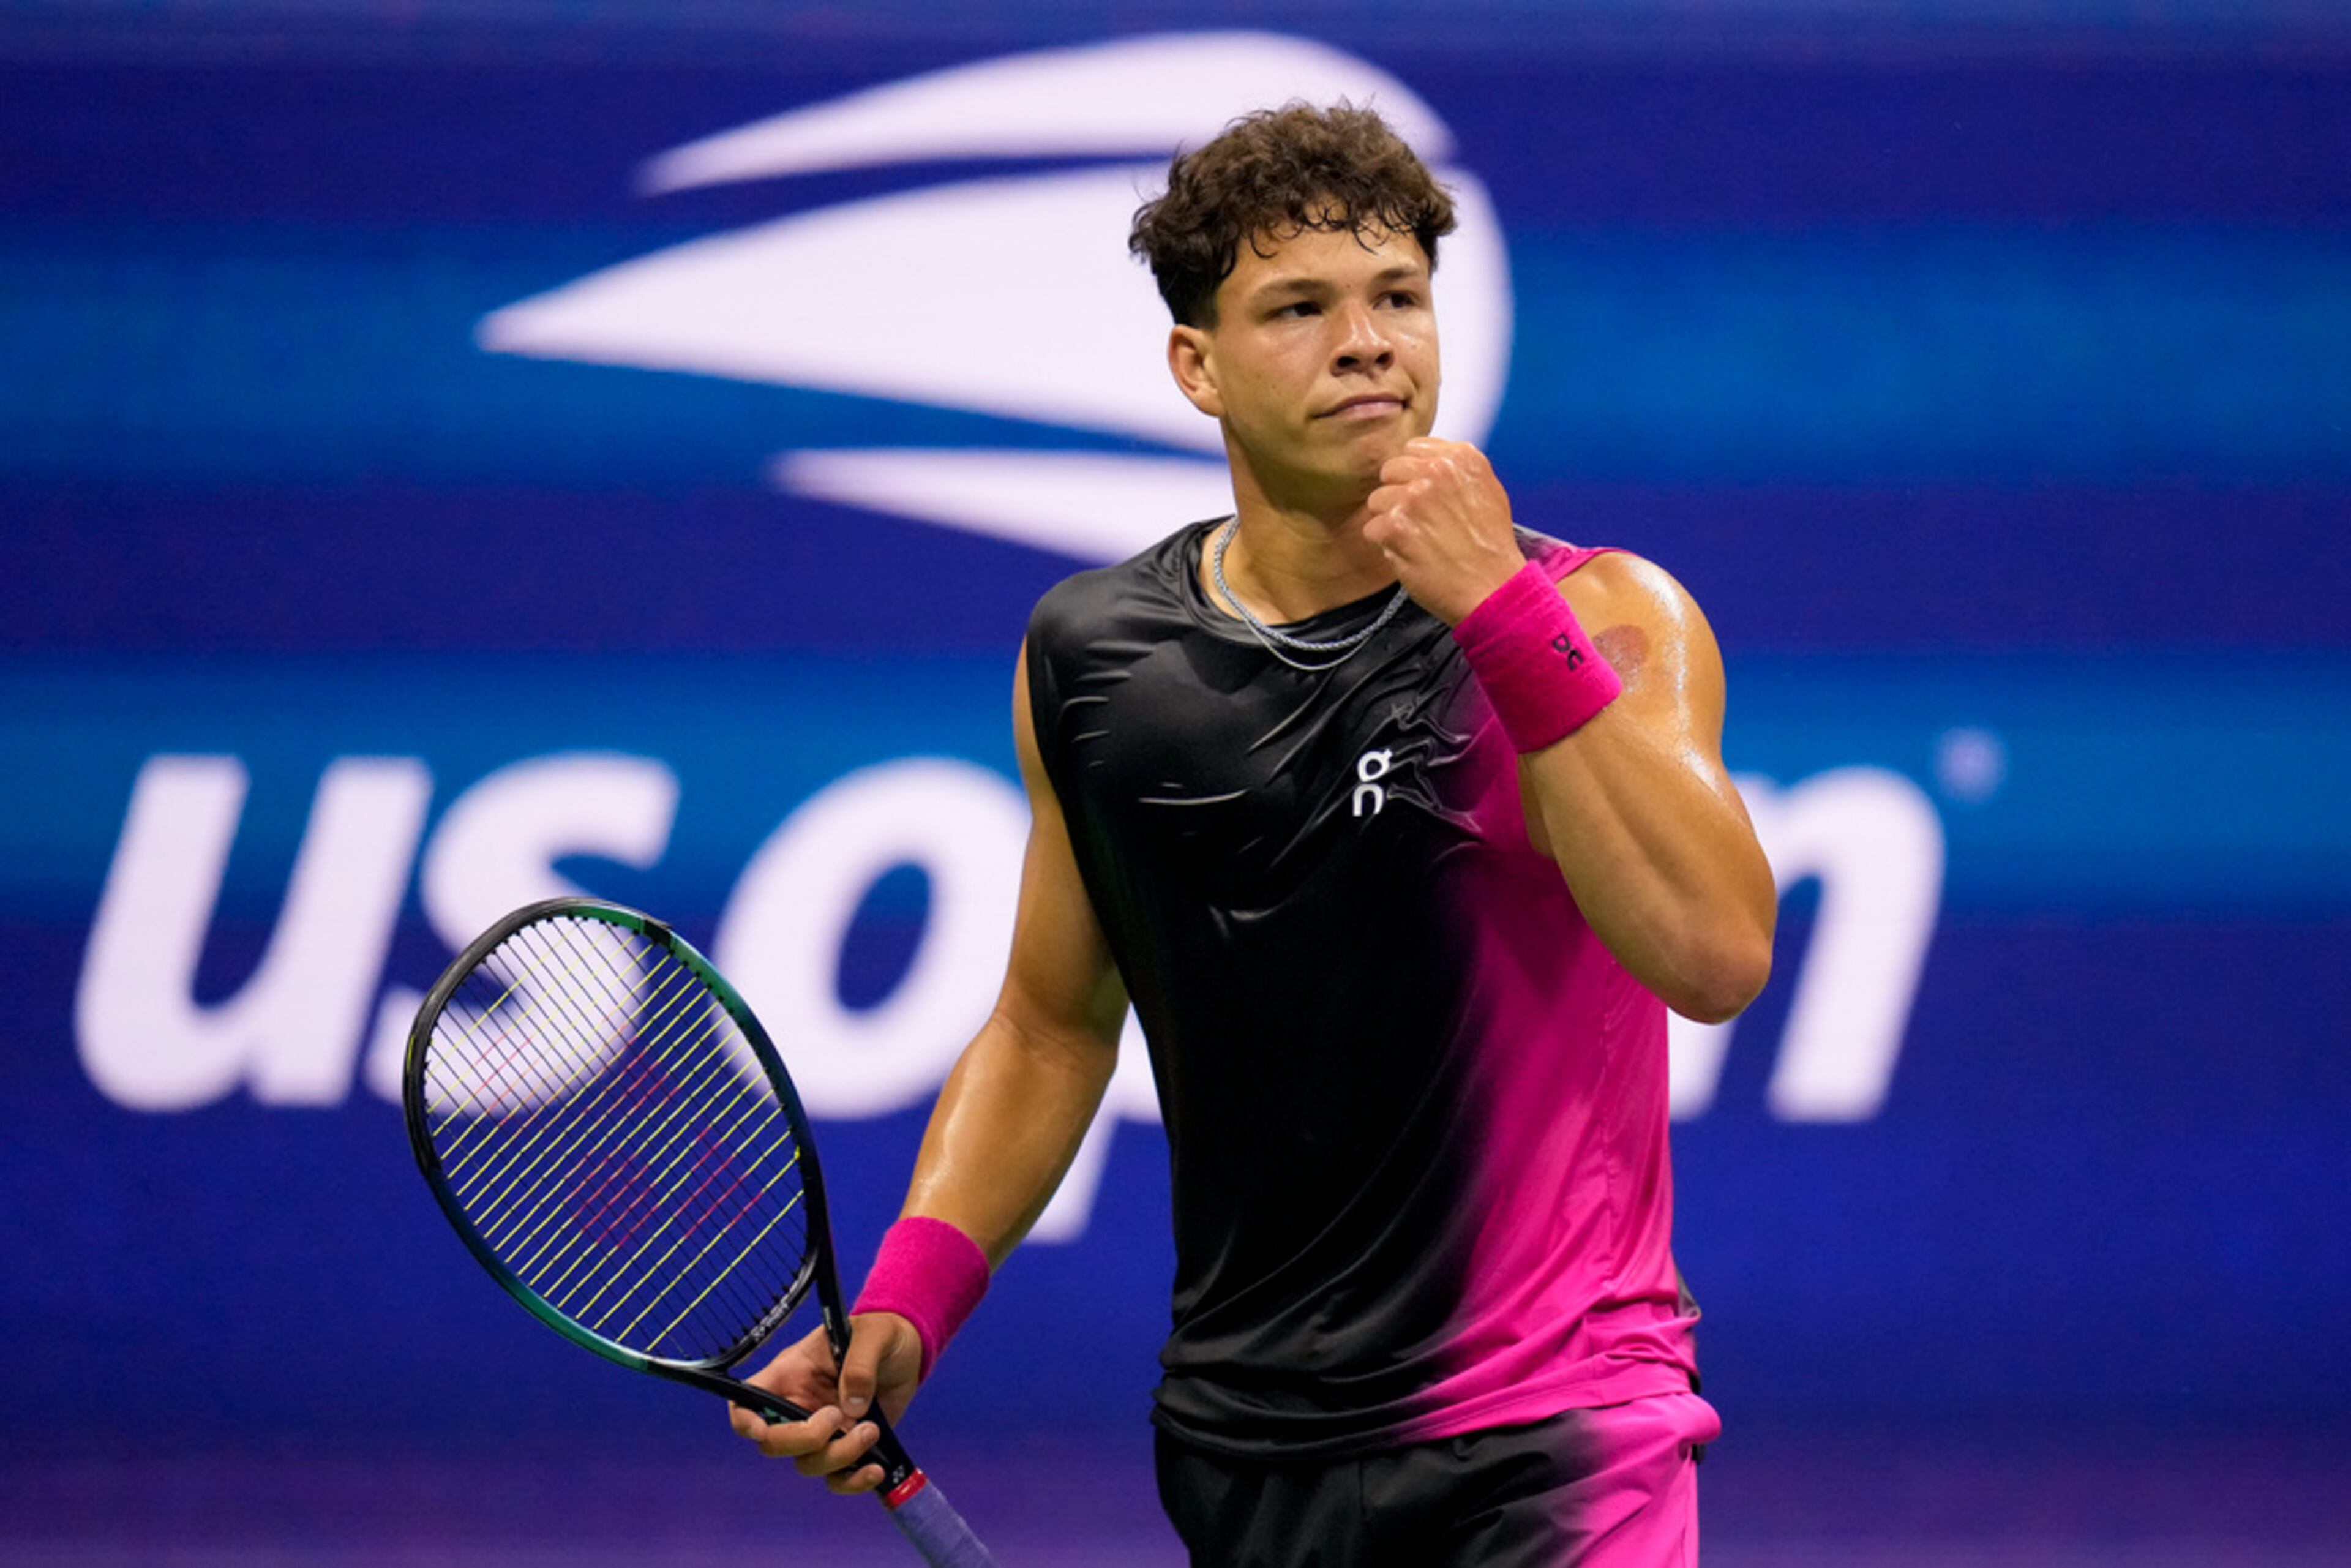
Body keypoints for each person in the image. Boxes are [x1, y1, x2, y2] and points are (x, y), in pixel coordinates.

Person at [730, 102, 1777, 1565]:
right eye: (1299, 309)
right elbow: (1049, 1028)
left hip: (1558, 1432)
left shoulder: (1599, 615)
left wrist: (1495, 611)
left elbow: (1716, 955)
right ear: (1198, 367)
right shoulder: (1097, 657)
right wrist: (907, 1306)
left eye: (1399, 298)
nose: (1367, 345)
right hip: (1247, 1447)